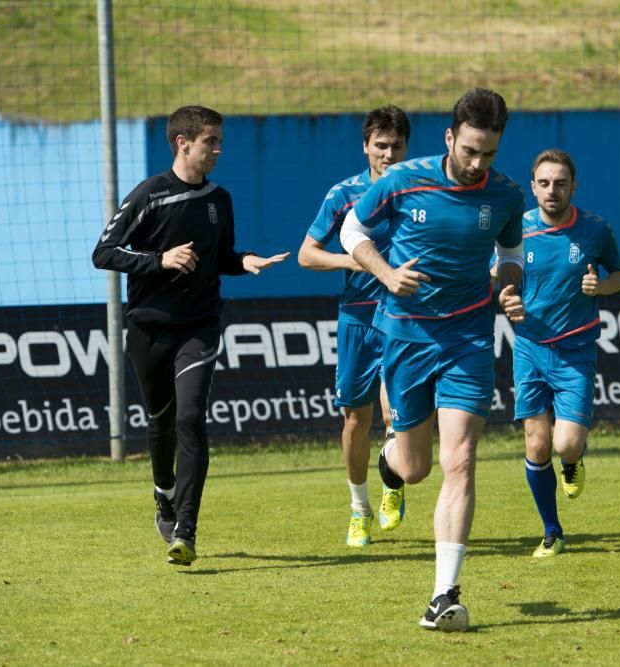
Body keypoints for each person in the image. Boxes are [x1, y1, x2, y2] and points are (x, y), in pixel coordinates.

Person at [340, 88, 525, 632]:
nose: (477, 164)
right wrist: (386, 273)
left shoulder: (507, 195)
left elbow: (510, 254)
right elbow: (353, 231)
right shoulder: (403, 180)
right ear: (449, 138)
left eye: (488, 153)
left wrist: (510, 286)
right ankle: (390, 461)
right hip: (405, 336)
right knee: (416, 467)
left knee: (461, 460)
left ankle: (444, 594)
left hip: (468, 337)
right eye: (469, 150)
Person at [92, 105, 289, 567]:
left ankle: (186, 528)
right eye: (211, 142)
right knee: (160, 423)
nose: (218, 150)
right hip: (148, 326)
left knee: (191, 417)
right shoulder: (150, 194)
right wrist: (158, 260)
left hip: (199, 325)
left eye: (220, 141)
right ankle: (163, 492)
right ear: (183, 142)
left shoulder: (220, 200)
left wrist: (245, 261)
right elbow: (103, 252)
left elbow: (221, 257)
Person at [504, 149, 620, 558]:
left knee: (566, 444)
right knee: (536, 445)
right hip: (529, 349)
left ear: (574, 186)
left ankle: (574, 461)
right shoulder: (515, 230)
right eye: (543, 183)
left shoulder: (595, 229)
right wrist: (508, 300)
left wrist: (601, 288)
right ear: (533, 186)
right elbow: (498, 278)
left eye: (560, 183)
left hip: (575, 353)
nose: (551, 190)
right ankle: (552, 531)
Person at [297, 106, 411, 548]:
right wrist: (354, 257)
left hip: (403, 319)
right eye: (380, 145)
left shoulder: (419, 191)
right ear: (366, 146)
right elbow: (308, 254)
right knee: (353, 420)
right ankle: (359, 509)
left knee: (393, 416)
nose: (388, 153)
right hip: (358, 319)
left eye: (396, 145)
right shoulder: (343, 194)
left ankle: (392, 480)